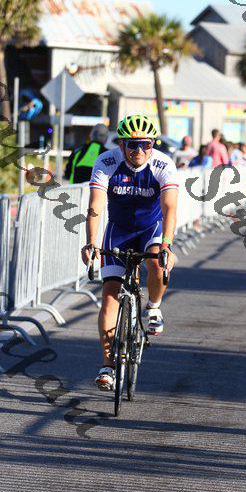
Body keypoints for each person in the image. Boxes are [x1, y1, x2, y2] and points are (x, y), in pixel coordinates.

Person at [82, 115, 179, 391]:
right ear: (121, 145)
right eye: (132, 145)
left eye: (145, 144)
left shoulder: (163, 164)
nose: (139, 151)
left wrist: (167, 245)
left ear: (153, 144)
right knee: (109, 296)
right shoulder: (106, 162)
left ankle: (154, 307)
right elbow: (95, 206)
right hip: (120, 229)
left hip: (151, 227)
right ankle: (108, 365)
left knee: (158, 264)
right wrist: (91, 243)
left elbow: (170, 207)